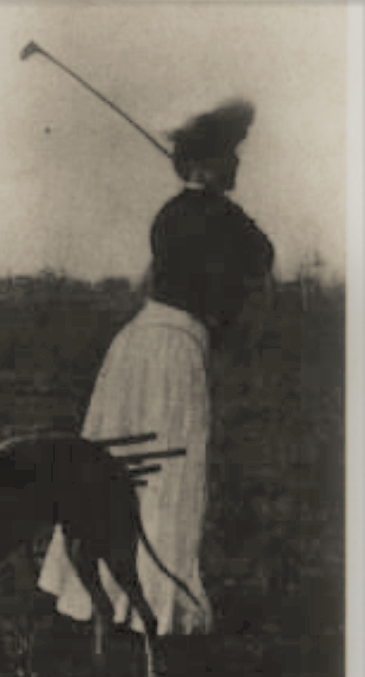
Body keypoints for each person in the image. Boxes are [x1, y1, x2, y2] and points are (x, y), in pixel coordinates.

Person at [38, 99, 275, 638]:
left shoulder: (170, 215)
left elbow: (149, 282)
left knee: (117, 470)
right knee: (170, 473)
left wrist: (210, 204)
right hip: (175, 353)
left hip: (134, 346)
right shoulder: (226, 219)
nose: (238, 164)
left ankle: (101, 597)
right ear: (207, 162)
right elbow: (260, 257)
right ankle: (162, 609)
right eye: (229, 154)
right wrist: (229, 215)